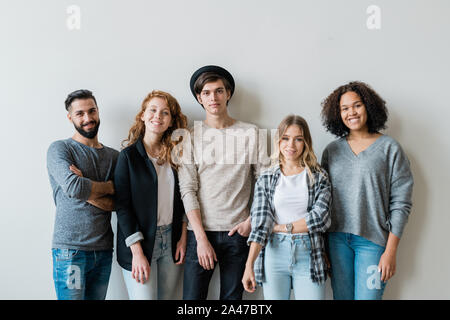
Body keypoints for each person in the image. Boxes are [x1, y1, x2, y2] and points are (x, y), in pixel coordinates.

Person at [178, 65, 269, 300]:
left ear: (228, 94)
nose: (213, 98)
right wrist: (200, 238)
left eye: (219, 91)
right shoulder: (189, 137)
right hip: (200, 233)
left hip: (238, 233)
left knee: (232, 302)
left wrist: (251, 221)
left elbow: (266, 182)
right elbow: (187, 189)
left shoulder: (251, 133)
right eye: (206, 93)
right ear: (199, 98)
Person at [320, 81, 414, 300]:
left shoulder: (390, 148)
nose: (351, 112)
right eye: (344, 108)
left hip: (373, 243)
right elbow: (322, 201)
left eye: (357, 105)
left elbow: (401, 203)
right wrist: (322, 246)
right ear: (337, 113)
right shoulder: (331, 151)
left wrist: (390, 251)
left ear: (369, 107)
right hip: (336, 241)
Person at [242, 114, 331, 300]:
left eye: (298, 139)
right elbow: (260, 225)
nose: (291, 145)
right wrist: (249, 265)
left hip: (309, 251)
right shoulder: (266, 178)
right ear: (278, 141)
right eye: (286, 138)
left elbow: (320, 218)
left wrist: (282, 227)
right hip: (275, 251)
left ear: (306, 142)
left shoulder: (319, 176)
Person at [113, 90, 188, 300]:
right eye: (153, 110)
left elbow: (184, 199)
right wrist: (137, 253)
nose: (158, 116)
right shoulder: (128, 157)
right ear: (143, 116)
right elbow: (122, 207)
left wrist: (183, 238)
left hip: (171, 240)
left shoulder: (176, 156)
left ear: (171, 121)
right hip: (140, 243)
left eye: (165, 113)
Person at [47, 89, 119, 300]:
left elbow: (118, 202)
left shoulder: (114, 156)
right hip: (70, 252)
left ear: (98, 112)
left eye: (92, 111)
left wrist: (84, 189)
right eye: (80, 113)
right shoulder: (60, 149)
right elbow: (74, 187)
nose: (87, 118)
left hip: (104, 251)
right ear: (70, 117)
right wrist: (109, 186)